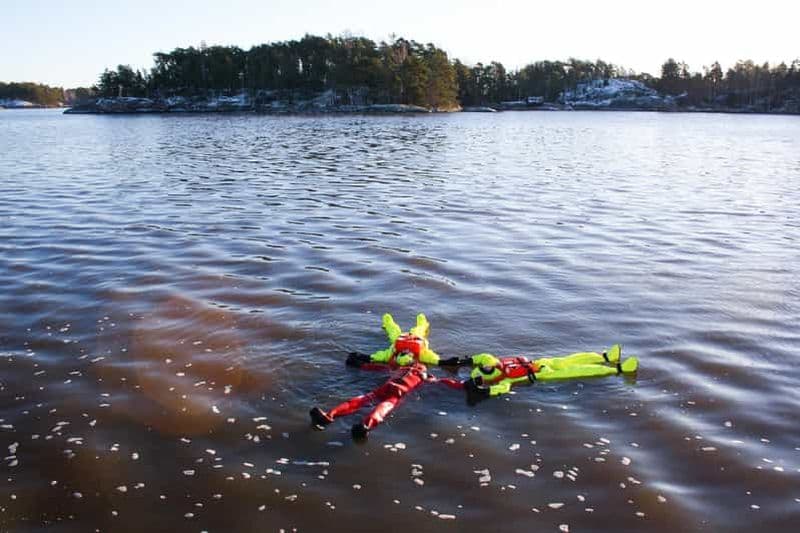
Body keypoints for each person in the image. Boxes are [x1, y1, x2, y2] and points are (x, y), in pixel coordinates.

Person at [310, 313, 462, 439]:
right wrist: (361, 364)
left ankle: (364, 427)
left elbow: (442, 381)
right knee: (360, 401)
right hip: (388, 388)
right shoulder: (399, 369)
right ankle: (328, 416)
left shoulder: (422, 374)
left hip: (396, 394)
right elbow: (378, 368)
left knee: (381, 408)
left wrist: (463, 385)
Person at [463, 344, 638, 405]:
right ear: (489, 377)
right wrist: (482, 391)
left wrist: (457, 361)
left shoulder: (494, 363)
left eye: (488, 366)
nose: (489, 366)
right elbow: (501, 390)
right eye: (487, 369)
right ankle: (620, 370)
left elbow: (483, 357)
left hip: (541, 362)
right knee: (576, 370)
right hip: (543, 374)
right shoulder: (505, 380)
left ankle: (607, 357)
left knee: (572, 359)